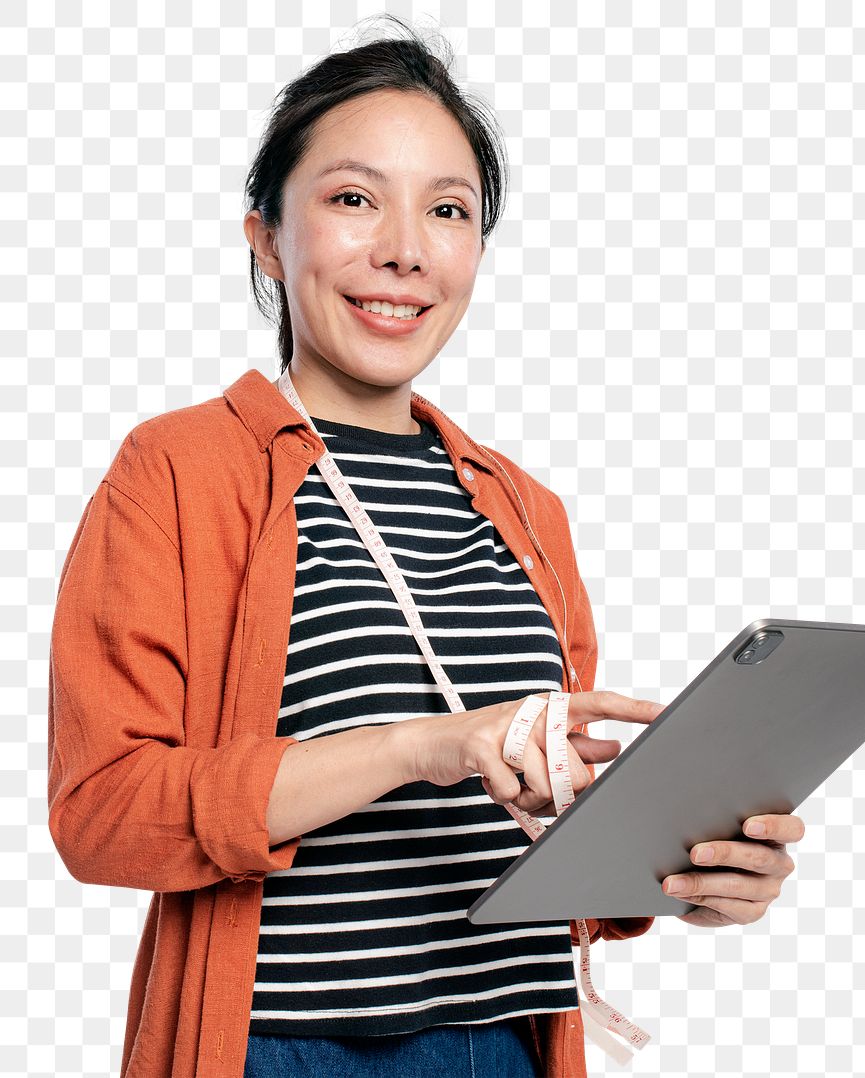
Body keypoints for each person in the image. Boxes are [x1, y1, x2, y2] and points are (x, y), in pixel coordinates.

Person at [47, 14, 802, 1078]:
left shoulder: (525, 507)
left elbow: (544, 829)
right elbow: (104, 813)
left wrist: (683, 873)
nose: (404, 246)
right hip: (283, 1051)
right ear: (266, 234)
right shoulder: (176, 471)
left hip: (511, 1045)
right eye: (354, 197)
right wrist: (422, 746)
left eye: (448, 210)